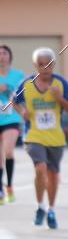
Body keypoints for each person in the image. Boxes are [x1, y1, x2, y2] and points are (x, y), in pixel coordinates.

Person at [13, 47, 68, 229]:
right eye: (41, 64)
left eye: (48, 64)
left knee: (53, 175)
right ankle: (40, 206)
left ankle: (50, 209)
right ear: (35, 65)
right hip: (33, 135)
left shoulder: (61, 84)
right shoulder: (26, 84)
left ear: (54, 64)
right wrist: (22, 111)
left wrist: (59, 99)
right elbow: (15, 101)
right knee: (40, 168)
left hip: (55, 138)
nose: (45, 68)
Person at [0, 44, 24, 204]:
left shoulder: (18, 75)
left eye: (4, 53)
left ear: (10, 56)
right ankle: (0, 189)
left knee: (8, 151)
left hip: (12, 119)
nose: (2, 55)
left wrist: (8, 91)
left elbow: (23, 95)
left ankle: (9, 186)